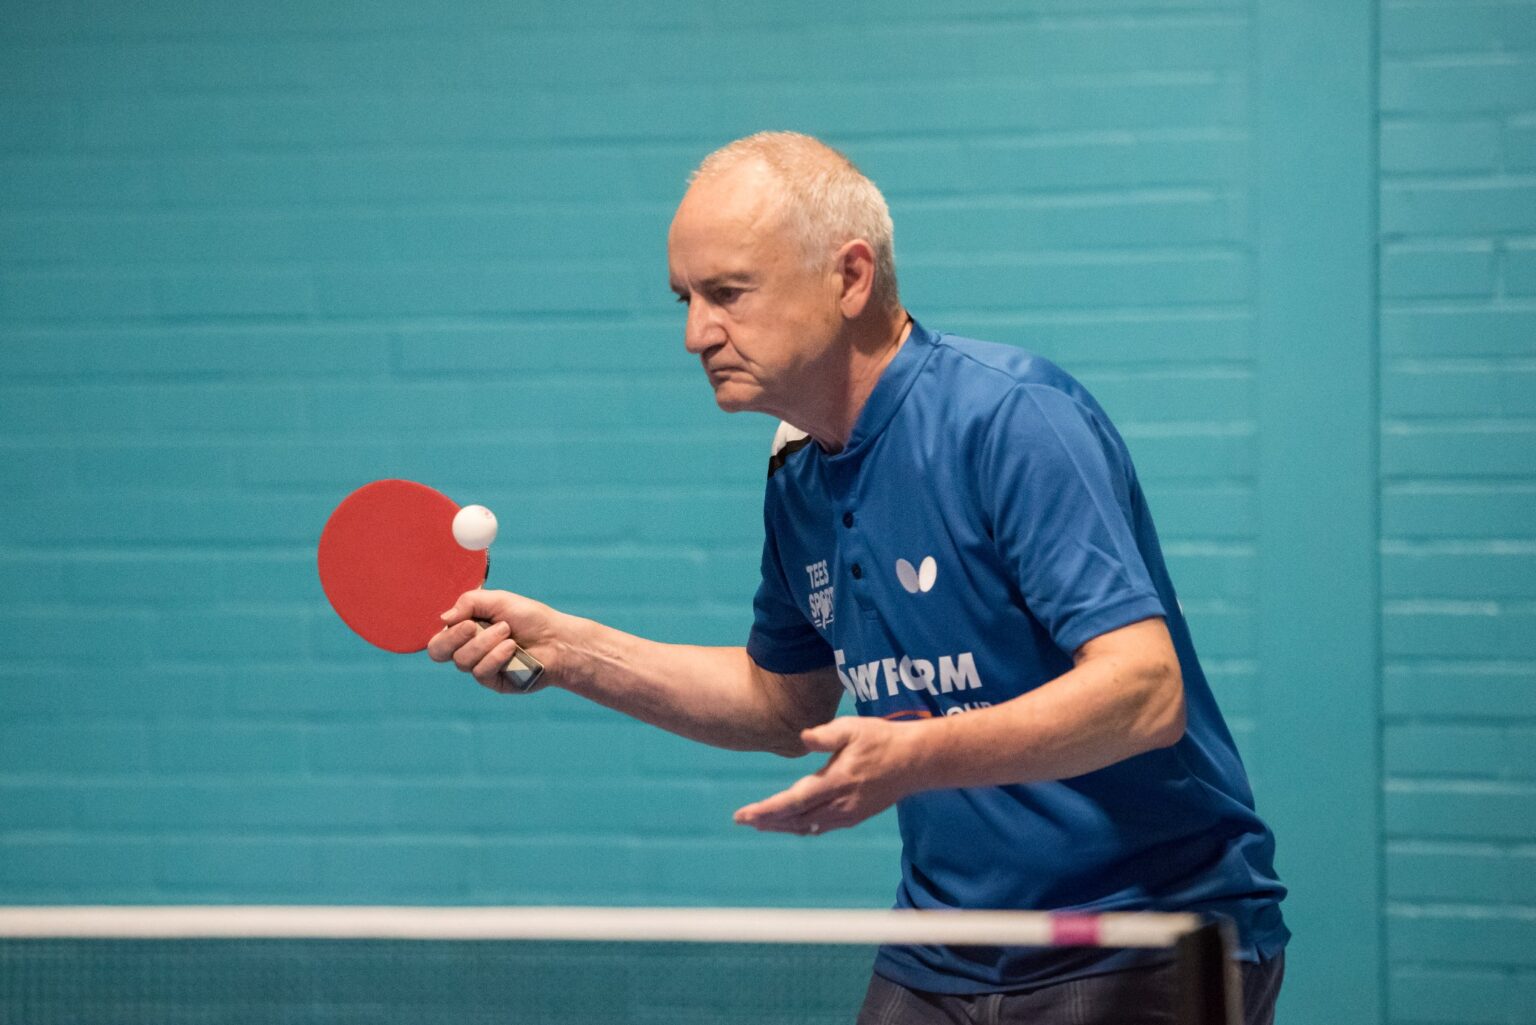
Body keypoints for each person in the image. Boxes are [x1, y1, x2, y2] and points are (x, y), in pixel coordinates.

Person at [429, 131, 1288, 1024]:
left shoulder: (1010, 420)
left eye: (727, 294)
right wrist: (566, 648)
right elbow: (780, 703)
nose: (695, 333)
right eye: (685, 299)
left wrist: (915, 755)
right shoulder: (800, 475)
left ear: (850, 277)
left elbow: (1146, 693)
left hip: (1137, 930)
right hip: (943, 943)